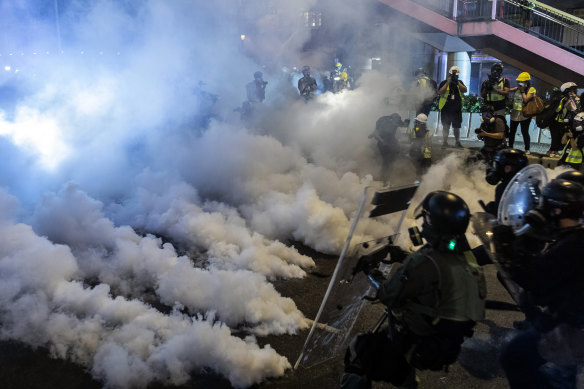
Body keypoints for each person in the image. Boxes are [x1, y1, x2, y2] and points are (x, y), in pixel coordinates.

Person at [342, 191, 486, 389]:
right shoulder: (467, 257)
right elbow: (437, 275)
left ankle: (405, 378)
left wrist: (372, 271)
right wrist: (402, 255)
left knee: (359, 352)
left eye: (427, 219)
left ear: (435, 223)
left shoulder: (425, 261)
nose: (424, 224)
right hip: (446, 345)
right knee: (388, 346)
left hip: (419, 342)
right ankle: (406, 379)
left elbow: (388, 295)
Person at [498, 179, 584, 389]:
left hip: (572, 328)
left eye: (545, 206)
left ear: (556, 211)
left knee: (515, 356)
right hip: (572, 320)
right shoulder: (576, 238)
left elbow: (535, 282)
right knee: (565, 373)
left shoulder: (571, 246)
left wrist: (510, 255)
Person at [483, 148, 528, 216]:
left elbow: (500, 215)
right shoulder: (530, 184)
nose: (497, 169)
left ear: (508, 168)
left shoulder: (502, 188)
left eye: (499, 165)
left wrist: (491, 209)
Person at [369, 114, 405, 183]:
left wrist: (406, 123)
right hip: (383, 145)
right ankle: (383, 179)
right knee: (387, 162)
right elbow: (375, 133)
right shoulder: (383, 123)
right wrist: (383, 141)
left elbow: (402, 124)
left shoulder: (394, 122)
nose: (396, 125)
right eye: (395, 123)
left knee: (391, 161)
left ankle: (387, 177)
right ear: (391, 120)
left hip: (390, 143)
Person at [438, 66, 467, 148]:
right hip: (446, 108)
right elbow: (440, 91)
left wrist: (457, 82)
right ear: (449, 74)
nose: (455, 77)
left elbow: (465, 90)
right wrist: (448, 82)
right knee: (446, 126)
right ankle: (444, 142)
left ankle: (457, 142)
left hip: (456, 109)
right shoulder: (444, 82)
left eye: (456, 75)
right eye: (454, 75)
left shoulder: (459, 82)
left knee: (457, 126)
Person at [548, 82, 579, 157]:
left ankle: (554, 151)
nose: (573, 92)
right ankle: (552, 151)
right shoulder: (562, 98)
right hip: (555, 120)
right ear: (566, 91)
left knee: (559, 137)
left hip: (561, 122)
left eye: (573, 91)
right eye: (571, 91)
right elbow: (559, 110)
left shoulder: (569, 99)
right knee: (555, 136)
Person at [508, 72, 536, 154]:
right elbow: (508, 90)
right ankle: (510, 147)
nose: (519, 83)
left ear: (526, 82)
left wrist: (523, 91)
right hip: (515, 113)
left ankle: (527, 149)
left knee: (524, 132)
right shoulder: (517, 88)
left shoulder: (531, 89)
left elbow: (526, 99)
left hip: (525, 114)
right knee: (512, 132)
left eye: (521, 81)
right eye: (518, 81)